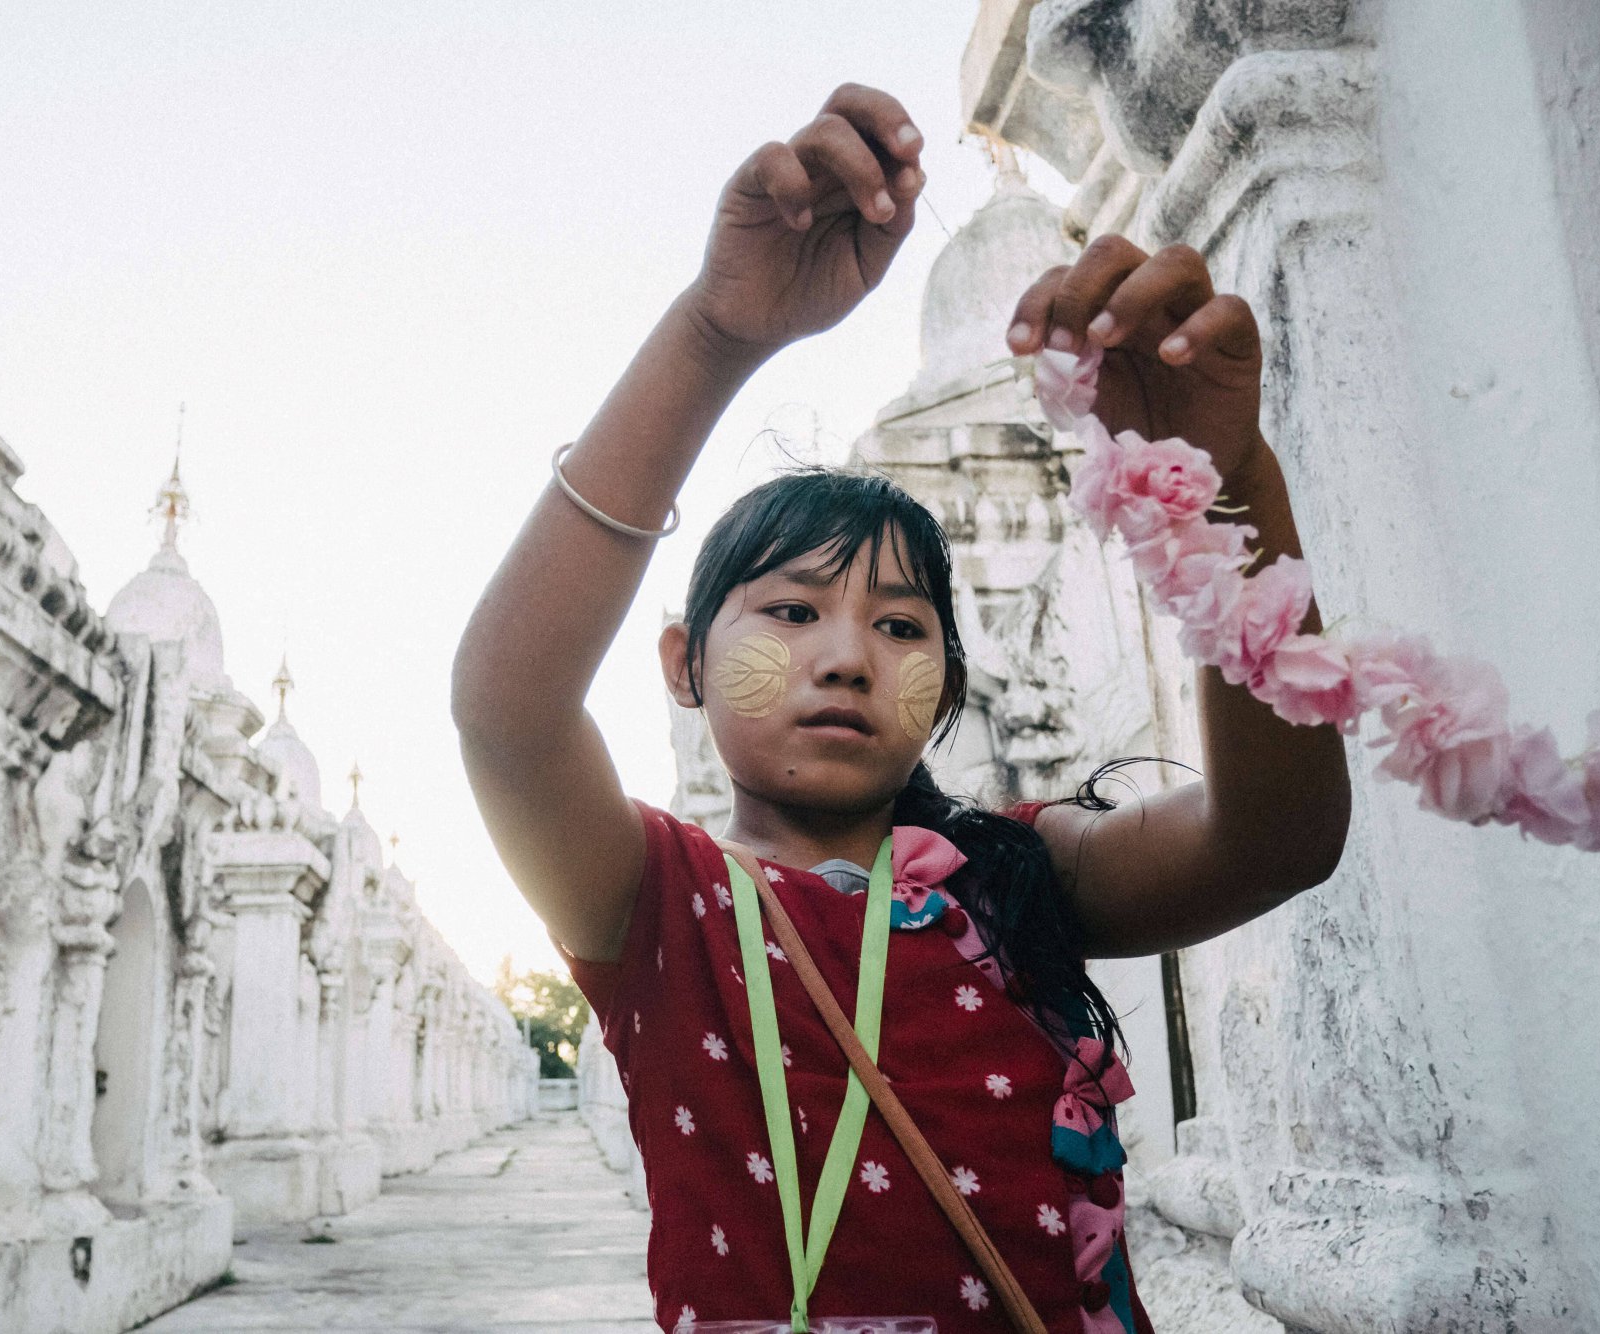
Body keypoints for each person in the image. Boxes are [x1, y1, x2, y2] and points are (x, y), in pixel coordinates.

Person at [451, 83, 1351, 1333]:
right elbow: (507, 709)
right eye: (786, 612)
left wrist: (1223, 492)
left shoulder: (1017, 875)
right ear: (681, 664)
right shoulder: (659, 903)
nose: (844, 657)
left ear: (944, 688)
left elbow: (1277, 839)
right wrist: (716, 333)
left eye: (897, 626)